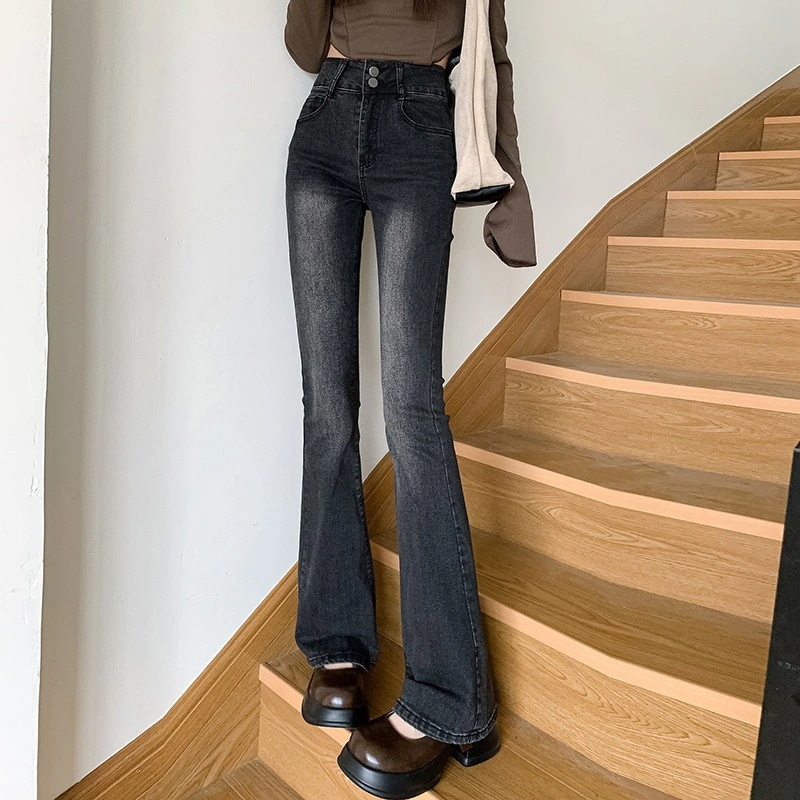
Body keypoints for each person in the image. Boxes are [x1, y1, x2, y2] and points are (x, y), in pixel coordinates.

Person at [283, 1, 534, 797]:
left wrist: (513, 182)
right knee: (326, 406)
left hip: (422, 128)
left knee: (412, 412)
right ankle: (337, 642)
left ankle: (452, 701)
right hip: (324, 121)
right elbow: (302, 47)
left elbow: (490, 56)